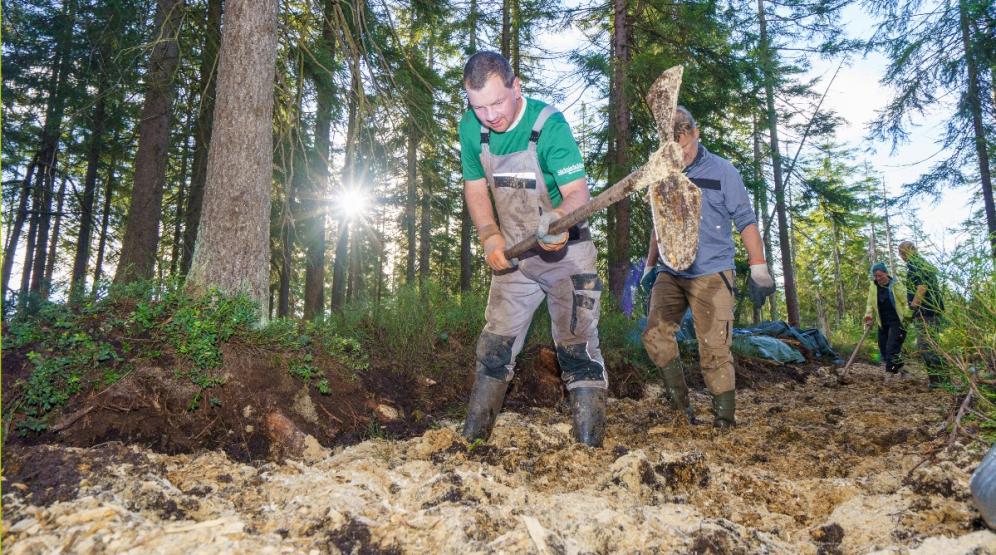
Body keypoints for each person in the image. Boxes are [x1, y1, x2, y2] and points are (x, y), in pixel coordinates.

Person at [458, 52, 607, 447]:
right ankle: (472, 442)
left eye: (496, 103)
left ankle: (589, 450)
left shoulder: (549, 125)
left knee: (578, 348)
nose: (489, 116)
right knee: (494, 347)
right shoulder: (473, 129)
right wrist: (490, 234)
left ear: (516, 86)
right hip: (516, 257)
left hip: (567, 252)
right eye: (479, 107)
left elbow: (578, 193)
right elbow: (475, 189)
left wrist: (558, 219)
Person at [640, 106, 774, 429]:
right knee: (655, 336)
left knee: (714, 350)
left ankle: (724, 422)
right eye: (674, 149)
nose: (681, 155)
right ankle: (680, 412)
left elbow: (745, 219)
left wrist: (759, 267)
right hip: (671, 271)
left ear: (696, 134)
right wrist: (649, 267)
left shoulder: (723, 171)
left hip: (712, 272)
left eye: (685, 146)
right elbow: (659, 225)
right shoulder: (663, 173)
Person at [898, 241, 945, 385]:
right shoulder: (921, 263)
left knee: (927, 347)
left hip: (926, 312)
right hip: (930, 311)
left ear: (908, 251)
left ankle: (939, 381)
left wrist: (912, 308)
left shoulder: (915, 264)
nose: (901, 256)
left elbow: (922, 287)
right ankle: (938, 380)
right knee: (929, 345)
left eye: (902, 252)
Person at [863, 262, 911, 376]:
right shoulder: (873, 286)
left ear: (886, 273)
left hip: (897, 321)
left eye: (880, 275)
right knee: (883, 348)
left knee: (891, 347)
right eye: (875, 276)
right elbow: (870, 304)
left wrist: (907, 318)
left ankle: (889, 374)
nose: (878, 278)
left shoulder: (895, 285)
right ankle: (902, 370)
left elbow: (905, 302)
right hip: (882, 322)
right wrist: (868, 317)